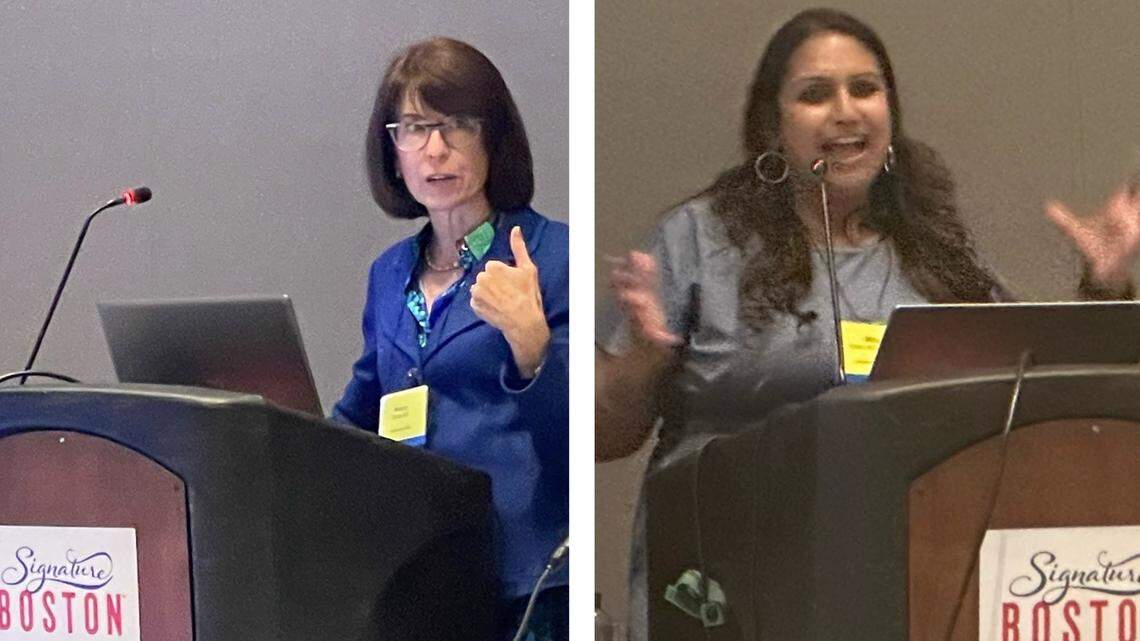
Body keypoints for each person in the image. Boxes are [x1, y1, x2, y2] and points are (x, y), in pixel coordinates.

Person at [595, 8, 1140, 640]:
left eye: (865, 88)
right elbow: (605, 437)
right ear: (773, 126)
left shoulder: (936, 256)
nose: (846, 111)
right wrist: (641, 362)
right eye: (815, 94)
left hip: (911, 578)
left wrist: (1102, 286)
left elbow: (1028, 398)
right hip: (720, 587)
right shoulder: (699, 239)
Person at [333, 37, 568, 641]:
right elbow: (362, 413)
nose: (435, 150)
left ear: (493, 137)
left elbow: (579, 439)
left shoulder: (551, 258)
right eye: (414, 127)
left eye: (457, 125)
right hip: (418, 568)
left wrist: (533, 348)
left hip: (523, 579)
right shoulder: (389, 274)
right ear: (393, 148)